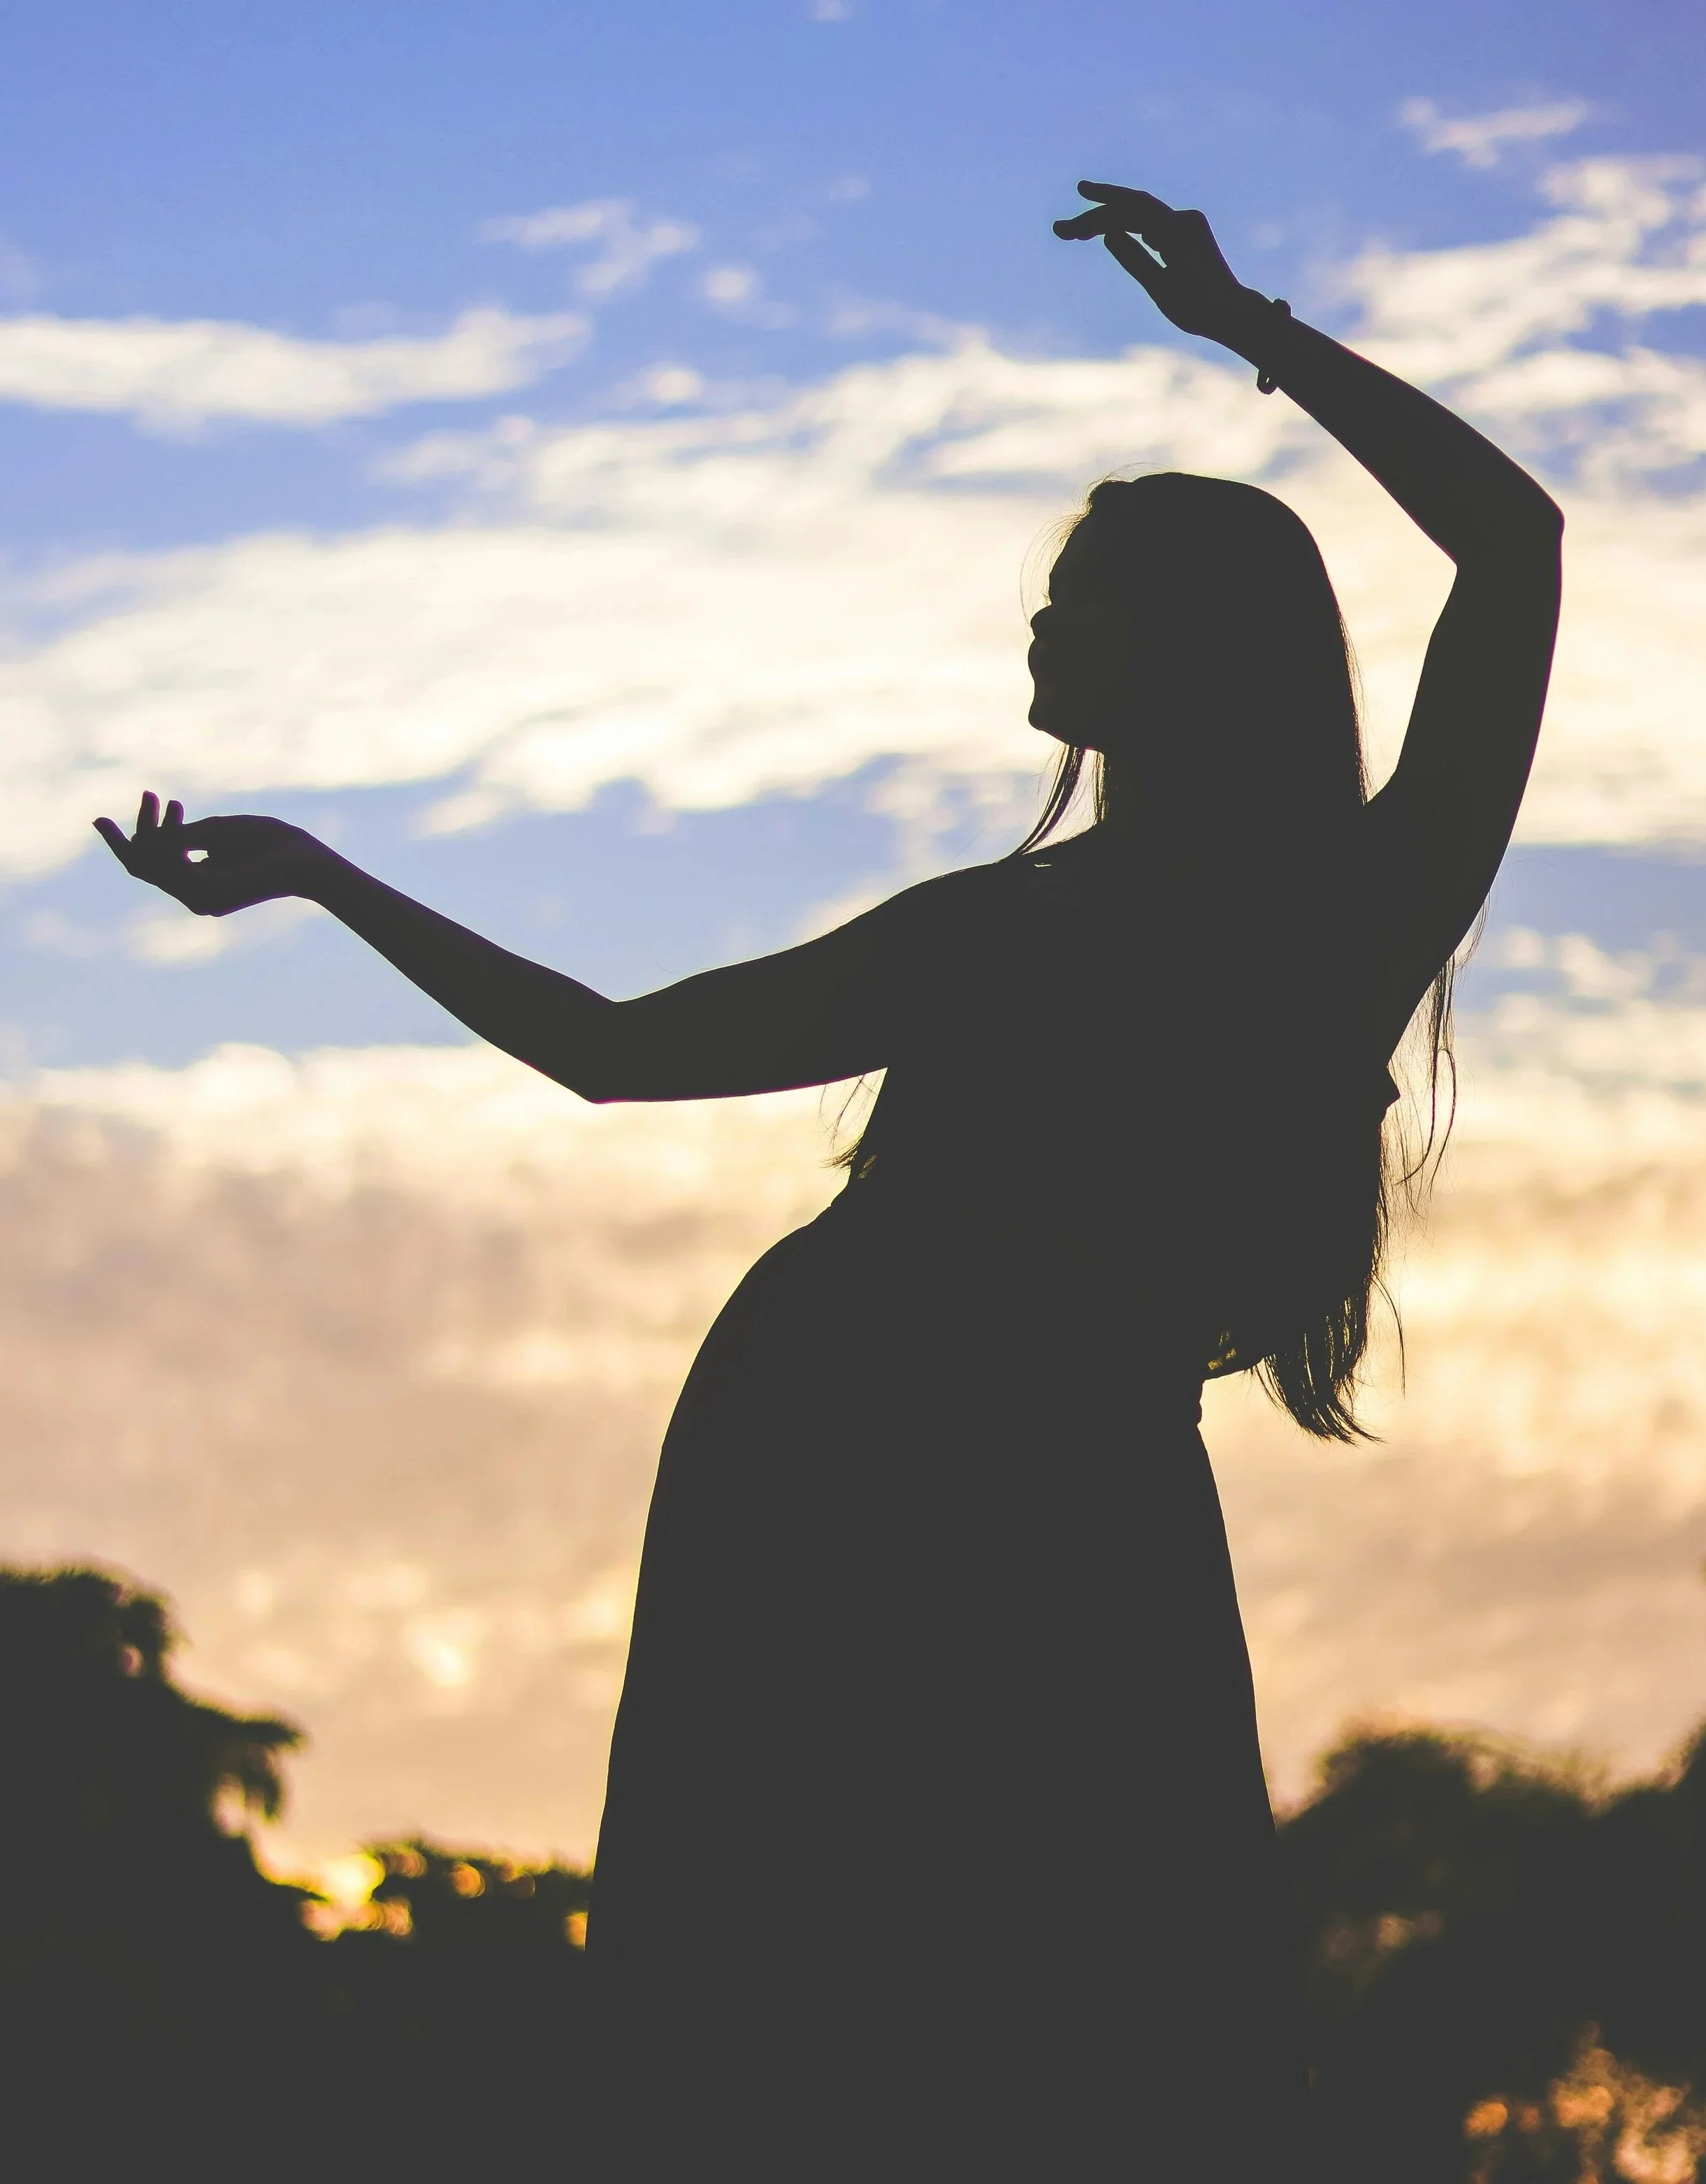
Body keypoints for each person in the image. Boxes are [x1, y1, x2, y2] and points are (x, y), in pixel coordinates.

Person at [97, 182, 1561, 2178]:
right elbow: (619, 1049)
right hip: (819, 1464)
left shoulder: (1334, 909)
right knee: (797, 2012)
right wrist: (326, 879)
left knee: (1077, 2013)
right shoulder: (1007, 921)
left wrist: (1251, 325)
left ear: (1196, 640)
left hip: (1015, 1481)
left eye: (1089, 585)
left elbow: (1518, 543)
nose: (1044, 618)